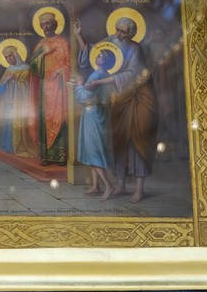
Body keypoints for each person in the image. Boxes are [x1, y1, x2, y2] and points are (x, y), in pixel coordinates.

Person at [74, 16, 158, 203]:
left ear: (131, 34)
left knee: (137, 140)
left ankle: (139, 189)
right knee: (119, 141)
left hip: (138, 98)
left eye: (123, 32)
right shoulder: (111, 40)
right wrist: (79, 36)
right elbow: (93, 53)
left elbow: (131, 74)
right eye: (118, 30)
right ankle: (120, 185)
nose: (119, 34)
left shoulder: (135, 49)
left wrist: (100, 81)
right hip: (118, 98)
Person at [73, 43, 117, 200]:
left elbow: (82, 97)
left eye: (100, 56)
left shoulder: (96, 76)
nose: (97, 57)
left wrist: (79, 85)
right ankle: (95, 186)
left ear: (104, 61)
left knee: (93, 150)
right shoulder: (107, 75)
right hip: (101, 113)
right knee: (94, 150)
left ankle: (108, 186)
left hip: (92, 114)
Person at [27, 10, 72, 165]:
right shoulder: (41, 45)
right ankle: (45, 156)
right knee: (45, 120)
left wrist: (61, 71)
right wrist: (43, 54)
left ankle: (60, 156)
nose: (46, 26)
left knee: (59, 118)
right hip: (44, 87)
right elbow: (33, 67)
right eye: (43, 24)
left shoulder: (63, 43)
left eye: (48, 23)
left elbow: (69, 64)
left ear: (54, 24)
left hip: (59, 87)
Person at [0, 43, 33, 157]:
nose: (8, 59)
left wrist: (14, 80)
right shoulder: (9, 69)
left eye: (10, 56)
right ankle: (5, 145)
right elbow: (1, 88)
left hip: (19, 104)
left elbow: (27, 87)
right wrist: (5, 81)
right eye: (6, 57)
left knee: (14, 124)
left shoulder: (26, 69)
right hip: (8, 102)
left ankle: (15, 146)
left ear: (16, 55)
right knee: (7, 123)